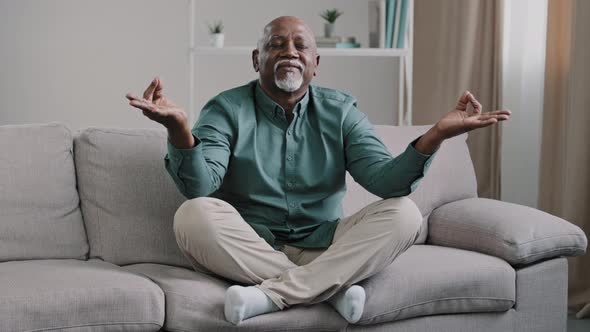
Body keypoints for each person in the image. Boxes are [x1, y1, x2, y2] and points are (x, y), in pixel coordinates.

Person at [126, 16, 511, 325]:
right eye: (275, 44)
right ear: (257, 60)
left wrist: (436, 135)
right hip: (251, 246)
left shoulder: (341, 111)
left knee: (405, 214)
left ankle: (270, 295)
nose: (289, 52)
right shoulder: (225, 108)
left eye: (300, 45)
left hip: (327, 244)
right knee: (193, 215)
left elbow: (387, 182)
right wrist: (178, 129)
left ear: (316, 63)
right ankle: (334, 288)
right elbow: (200, 185)